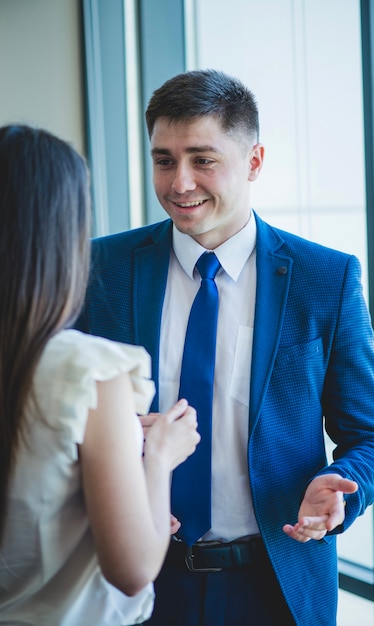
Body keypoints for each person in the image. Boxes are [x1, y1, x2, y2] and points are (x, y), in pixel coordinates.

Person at [75, 69, 374, 626]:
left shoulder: (327, 278)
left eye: (202, 159)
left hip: (275, 583)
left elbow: (372, 439)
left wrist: (343, 488)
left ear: (253, 161)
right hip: (138, 579)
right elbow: (63, 418)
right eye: (163, 160)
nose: (179, 183)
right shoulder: (102, 270)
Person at [0, 124, 200, 626]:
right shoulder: (87, 370)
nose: (180, 184)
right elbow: (131, 569)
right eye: (163, 161)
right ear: (63, 233)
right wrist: (158, 458)